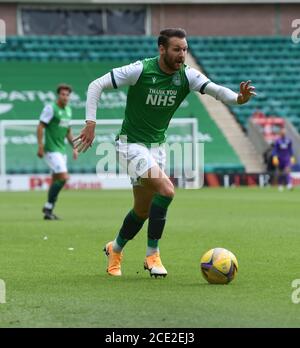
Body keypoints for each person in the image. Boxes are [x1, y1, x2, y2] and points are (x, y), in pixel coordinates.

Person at [74, 28, 256, 277]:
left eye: (185, 50)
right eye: (176, 49)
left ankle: (114, 248)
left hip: (157, 148)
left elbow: (215, 90)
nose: (182, 54)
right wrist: (90, 123)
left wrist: (238, 99)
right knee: (167, 191)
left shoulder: (187, 76)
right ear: (161, 49)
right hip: (130, 145)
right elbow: (96, 85)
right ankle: (152, 255)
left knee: (142, 210)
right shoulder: (141, 70)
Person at [37, 84, 78, 220]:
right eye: (63, 94)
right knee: (64, 177)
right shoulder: (51, 108)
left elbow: (68, 132)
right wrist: (40, 146)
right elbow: (40, 126)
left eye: (67, 95)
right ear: (58, 95)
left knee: (56, 180)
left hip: (61, 150)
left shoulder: (68, 110)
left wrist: (75, 147)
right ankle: (48, 207)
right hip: (51, 149)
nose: (65, 97)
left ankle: (48, 209)